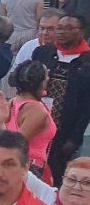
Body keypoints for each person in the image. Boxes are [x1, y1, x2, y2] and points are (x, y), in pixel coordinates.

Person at [32, 13, 90, 184]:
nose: (62, 32)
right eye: (60, 28)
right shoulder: (43, 52)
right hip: (37, 125)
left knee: (57, 176)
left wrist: (75, 137)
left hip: (66, 130)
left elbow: (87, 106)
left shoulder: (86, 61)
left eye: (69, 28)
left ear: (82, 32)